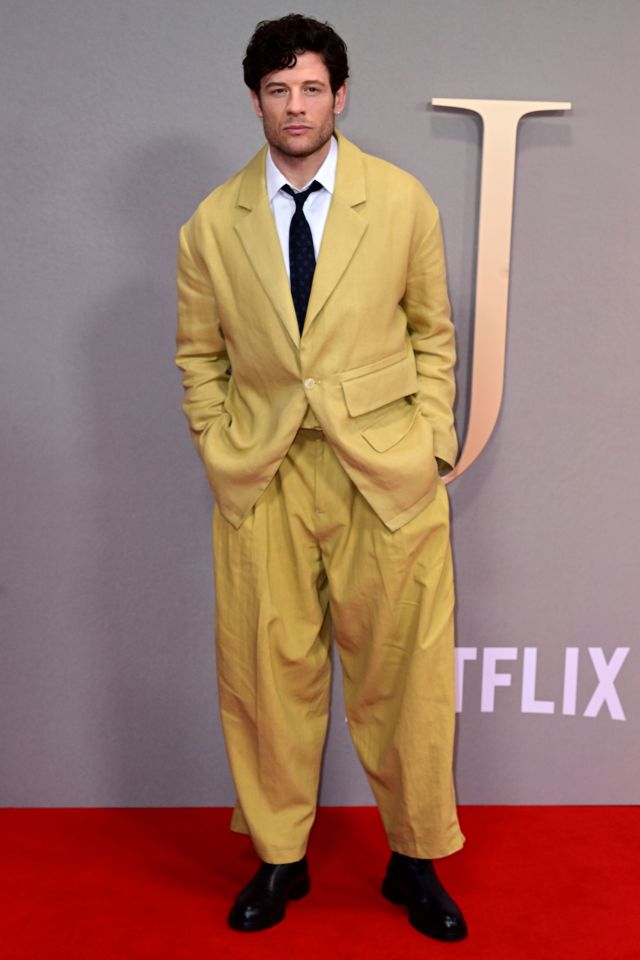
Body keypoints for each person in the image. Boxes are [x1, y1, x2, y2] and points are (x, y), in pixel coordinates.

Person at [175, 13, 467, 942]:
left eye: (311, 88)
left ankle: (414, 859)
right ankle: (279, 860)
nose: (295, 106)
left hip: (386, 476)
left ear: (341, 96)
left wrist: (431, 444)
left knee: (407, 677)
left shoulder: (403, 198)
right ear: (255, 100)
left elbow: (434, 332)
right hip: (262, 476)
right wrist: (221, 445)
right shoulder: (210, 224)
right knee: (267, 677)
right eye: (277, 90)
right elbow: (197, 356)